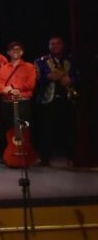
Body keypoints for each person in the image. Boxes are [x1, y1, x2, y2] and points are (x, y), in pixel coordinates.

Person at [34, 36, 77, 166]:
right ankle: (44, 158)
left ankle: (72, 157)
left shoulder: (70, 60)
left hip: (67, 99)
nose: (55, 46)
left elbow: (79, 75)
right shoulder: (41, 61)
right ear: (48, 46)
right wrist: (47, 77)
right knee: (47, 130)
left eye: (58, 43)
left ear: (62, 45)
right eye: (52, 44)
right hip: (48, 100)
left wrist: (71, 80)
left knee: (69, 129)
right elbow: (36, 80)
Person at [0, 41, 37, 164]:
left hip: (23, 102)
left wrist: (14, 89)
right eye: (13, 49)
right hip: (7, 102)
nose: (15, 51)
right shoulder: (4, 68)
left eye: (18, 49)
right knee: (7, 129)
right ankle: (8, 155)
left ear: (22, 52)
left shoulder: (29, 67)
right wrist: (5, 90)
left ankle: (26, 154)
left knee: (25, 129)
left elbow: (30, 84)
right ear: (8, 52)